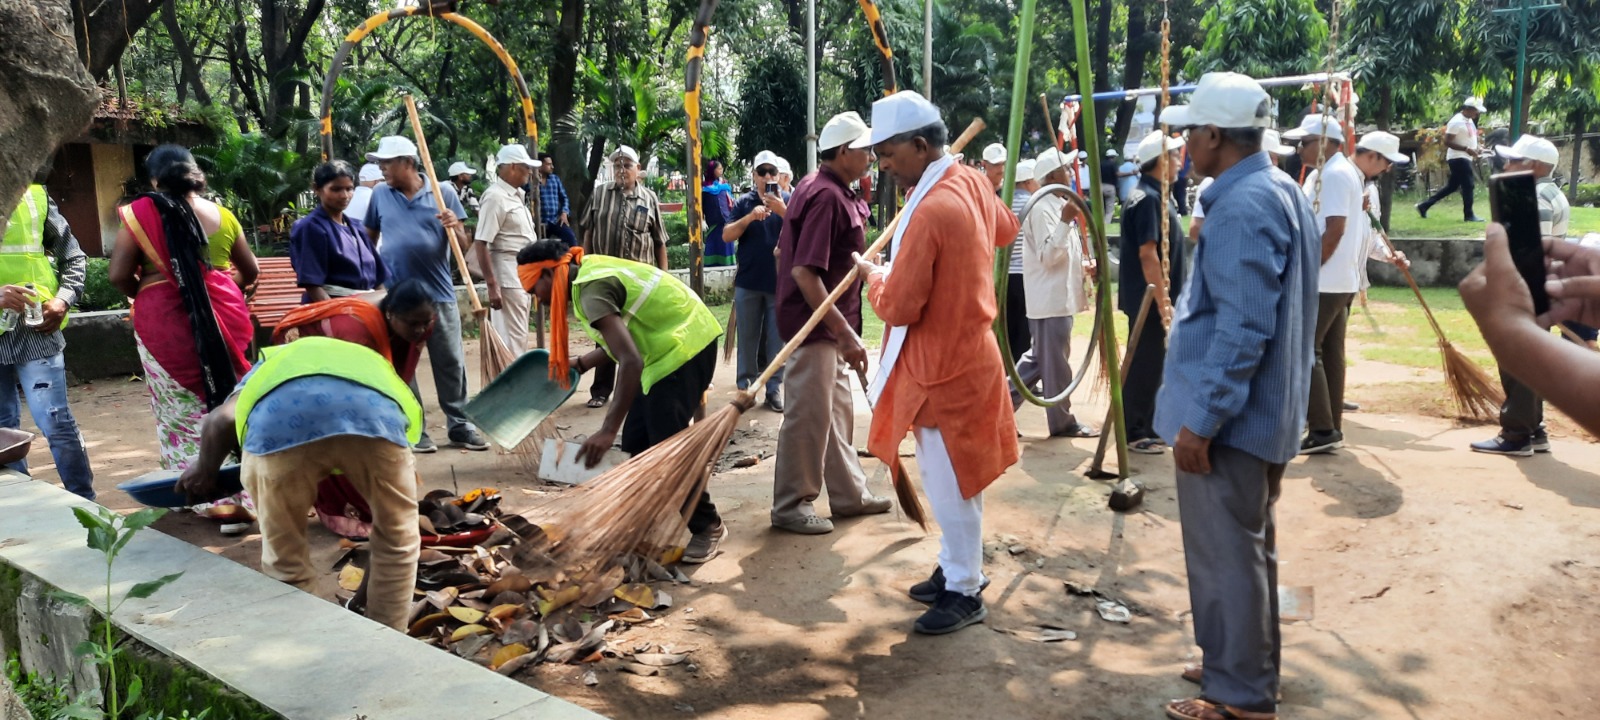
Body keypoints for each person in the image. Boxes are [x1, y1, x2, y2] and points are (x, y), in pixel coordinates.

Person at [1154, 72, 1319, 720]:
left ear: (1214, 135)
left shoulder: (1245, 206)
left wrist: (1202, 420)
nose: (1186, 143)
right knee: (1247, 549)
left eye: (1191, 131)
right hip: (1265, 416)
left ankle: (1240, 695)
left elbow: (1242, 325)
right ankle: (1239, 659)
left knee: (1227, 556)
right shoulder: (1277, 189)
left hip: (1231, 423)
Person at [853, 91, 1020, 635]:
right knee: (951, 477)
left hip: (944, 370)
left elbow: (899, 304)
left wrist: (873, 276)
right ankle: (955, 569)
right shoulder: (969, 182)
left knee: (952, 484)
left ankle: (966, 590)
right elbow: (1004, 230)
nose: (883, 168)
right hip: (963, 358)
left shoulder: (930, 209)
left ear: (920, 146)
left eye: (888, 156)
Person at [175, 336, 422, 631]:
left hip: (278, 431)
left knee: (285, 559)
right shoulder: (368, 363)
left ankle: (309, 640)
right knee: (398, 540)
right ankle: (390, 636)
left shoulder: (269, 368)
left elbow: (220, 420)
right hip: (375, 422)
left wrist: (205, 469)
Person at [517, 240, 728, 563]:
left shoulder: (590, 291)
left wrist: (606, 429)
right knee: (637, 443)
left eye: (534, 289)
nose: (537, 300)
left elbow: (630, 361)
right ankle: (642, 516)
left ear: (548, 272)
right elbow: (626, 337)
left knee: (667, 449)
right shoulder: (587, 273)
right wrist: (583, 363)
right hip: (666, 346)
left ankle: (707, 526)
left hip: (684, 347)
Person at [109, 144, 256, 530]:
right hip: (226, 316)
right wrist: (215, 287)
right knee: (230, 400)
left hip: (165, 323)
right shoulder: (223, 215)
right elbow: (250, 270)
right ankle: (246, 489)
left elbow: (118, 275)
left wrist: (155, 288)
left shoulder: (140, 214)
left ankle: (204, 495)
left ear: (154, 181)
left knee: (179, 409)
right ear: (196, 175)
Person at [771, 112, 891, 535]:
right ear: (843, 153)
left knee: (836, 413)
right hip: (816, 327)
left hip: (833, 324)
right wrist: (842, 332)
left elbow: (787, 254)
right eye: (865, 151)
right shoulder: (824, 196)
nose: (872, 158)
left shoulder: (830, 189)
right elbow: (804, 271)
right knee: (809, 415)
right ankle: (791, 504)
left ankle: (849, 495)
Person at [270, 279, 436, 539]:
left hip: (361, 351)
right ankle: (342, 510)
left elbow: (397, 375)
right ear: (391, 314)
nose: (420, 329)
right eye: (413, 324)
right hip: (315, 353)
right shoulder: (354, 332)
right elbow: (355, 404)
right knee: (340, 431)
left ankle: (375, 500)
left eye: (425, 323)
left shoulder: (421, 321)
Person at [362, 135, 488, 453]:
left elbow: (463, 246)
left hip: (439, 294)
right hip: (397, 297)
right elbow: (369, 239)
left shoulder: (443, 192)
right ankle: (415, 428)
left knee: (450, 361)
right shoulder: (379, 194)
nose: (382, 169)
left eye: (387, 163)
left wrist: (454, 227)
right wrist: (374, 280)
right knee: (402, 365)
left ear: (408, 163)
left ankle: (460, 425)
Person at [1470, 134, 1577, 456]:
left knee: (1517, 359)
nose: (1508, 164)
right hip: (1539, 289)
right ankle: (1534, 428)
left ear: (1537, 166)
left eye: (1516, 160)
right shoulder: (1551, 193)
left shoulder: (1535, 197)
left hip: (1525, 290)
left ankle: (1516, 433)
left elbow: (1530, 251)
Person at [0, 177, 94, 500]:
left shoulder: (35, 195)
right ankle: (18, 506)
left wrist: (63, 299)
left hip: (38, 329)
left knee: (56, 422)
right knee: (1, 430)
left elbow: (74, 257)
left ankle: (86, 505)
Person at [1461, 227, 1600, 437]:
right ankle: (1529, 428)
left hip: (1530, 288)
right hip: (1547, 288)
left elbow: (1529, 247)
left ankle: (1519, 432)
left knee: (1520, 369)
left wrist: (1515, 340)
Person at [1282, 114, 1363, 455]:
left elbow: (1334, 230)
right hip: (1336, 277)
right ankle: (1328, 424)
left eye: (1306, 142)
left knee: (1306, 350)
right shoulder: (1325, 173)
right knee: (1329, 352)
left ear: (1326, 142)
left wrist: (1309, 270)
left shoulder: (1334, 174)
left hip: (1325, 278)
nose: (1300, 148)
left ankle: (1322, 427)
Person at [1010, 149, 1097, 439]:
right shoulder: (1043, 208)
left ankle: (998, 407)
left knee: (1038, 361)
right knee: (1055, 364)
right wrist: (1064, 220)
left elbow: (1061, 254)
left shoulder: (1055, 204)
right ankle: (1062, 422)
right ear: (1052, 176)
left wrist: (1084, 265)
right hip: (1049, 302)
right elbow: (1048, 256)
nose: (1071, 173)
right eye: (1066, 169)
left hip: (1056, 299)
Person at [579, 145, 670, 407]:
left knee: (639, 334)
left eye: (627, 165)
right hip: (605, 278)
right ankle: (600, 391)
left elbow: (659, 241)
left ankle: (638, 389)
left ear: (638, 170)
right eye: (616, 164)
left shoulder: (649, 198)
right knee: (606, 334)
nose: (621, 169)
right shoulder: (599, 194)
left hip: (638, 281)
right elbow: (588, 230)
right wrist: (587, 263)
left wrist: (663, 275)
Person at [1119, 130, 1187, 454]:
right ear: (1160, 161)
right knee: (1145, 364)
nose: (1179, 161)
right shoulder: (1147, 199)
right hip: (1147, 299)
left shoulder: (1154, 195)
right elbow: (1149, 254)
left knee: (1154, 363)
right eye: (1174, 156)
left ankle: (1148, 424)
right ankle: (1134, 430)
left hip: (1149, 297)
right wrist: (1163, 303)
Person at [724, 150, 789, 412]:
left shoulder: (788, 200)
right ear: (754, 176)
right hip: (748, 282)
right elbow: (727, 235)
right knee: (747, 338)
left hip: (778, 283)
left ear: (779, 175)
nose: (767, 177)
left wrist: (781, 210)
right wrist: (751, 216)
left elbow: (804, 227)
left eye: (772, 172)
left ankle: (773, 390)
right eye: (762, 172)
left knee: (776, 341)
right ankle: (746, 388)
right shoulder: (743, 202)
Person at [474, 144, 541, 355]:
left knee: (517, 335)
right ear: (513, 167)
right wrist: (492, 285)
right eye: (525, 167)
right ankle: (512, 383)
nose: (529, 172)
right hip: (507, 274)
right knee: (512, 339)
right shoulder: (495, 197)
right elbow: (481, 242)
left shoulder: (516, 195)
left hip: (521, 274)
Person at [290, 160, 386, 303]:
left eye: (349, 189)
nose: (344, 195)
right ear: (317, 189)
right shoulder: (310, 227)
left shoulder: (357, 227)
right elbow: (312, 285)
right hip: (331, 309)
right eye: (336, 189)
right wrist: (337, 313)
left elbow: (378, 281)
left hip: (367, 307)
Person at [1416, 97, 1487, 222]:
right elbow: (1447, 141)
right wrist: (1466, 149)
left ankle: (1424, 206)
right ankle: (1469, 215)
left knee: (1452, 187)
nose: (1477, 114)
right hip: (1458, 157)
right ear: (1468, 109)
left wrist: (1477, 148)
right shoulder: (1456, 121)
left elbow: (1469, 137)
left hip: (1465, 156)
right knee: (1468, 185)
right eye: (1476, 111)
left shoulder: (1469, 121)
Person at [1002, 158, 1036, 362]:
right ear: (1028, 182)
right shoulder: (1033, 203)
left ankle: (1006, 372)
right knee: (1025, 330)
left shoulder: (1003, 203)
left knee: (1007, 327)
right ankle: (1021, 379)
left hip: (1004, 275)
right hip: (1025, 274)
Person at [537, 152, 577, 248]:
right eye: (548, 164)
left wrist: (564, 213)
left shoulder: (555, 179)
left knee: (570, 238)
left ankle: (574, 260)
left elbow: (564, 198)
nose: (552, 167)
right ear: (539, 165)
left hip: (554, 220)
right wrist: (533, 182)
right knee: (539, 248)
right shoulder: (531, 180)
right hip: (538, 222)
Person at [701, 160, 736, 267]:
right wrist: (701, 220)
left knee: (727, 244)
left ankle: (728, 267)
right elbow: (700, 205)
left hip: (726, 221)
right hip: (713, 222)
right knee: (713, 244)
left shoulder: (724, 185)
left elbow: (730, 201)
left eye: (722, 168)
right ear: (712, 170)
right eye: (719, 168)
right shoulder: (704, 188)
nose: (721, 170)